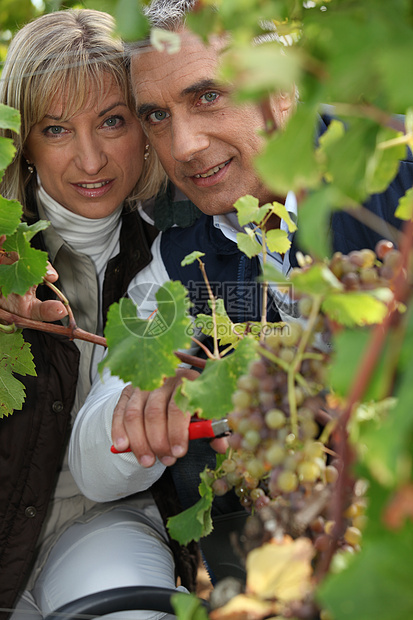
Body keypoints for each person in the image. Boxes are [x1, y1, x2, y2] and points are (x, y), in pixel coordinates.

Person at [67, 0, 413, 582]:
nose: (184, 146)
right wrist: (139, 410)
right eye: (155, 115)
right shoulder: (181, 264)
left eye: (208, 96)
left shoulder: (393, 181)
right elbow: (91, 466)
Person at [0, 9, 191, 620]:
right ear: (22, 143)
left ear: (146, 126)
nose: (90, 160)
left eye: (112, 121)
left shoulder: (181, 257)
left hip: (103, 522)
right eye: (56, 129)